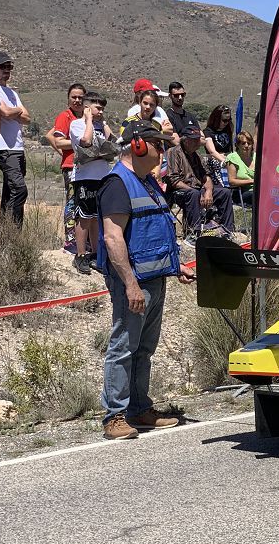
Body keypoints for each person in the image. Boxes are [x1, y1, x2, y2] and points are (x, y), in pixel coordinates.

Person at [96, 120, 194, 440]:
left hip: (155, 278)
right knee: (124, 346)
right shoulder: (117, 183)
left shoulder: (148, 182)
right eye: (158, 144)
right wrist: (130, 284)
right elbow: (113, 239)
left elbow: (154, 231)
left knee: (143, 348)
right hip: (135, 283)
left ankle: (139, 409)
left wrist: (175, 266)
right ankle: (115, 416)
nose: (163, 150)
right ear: (138, 145)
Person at [69, 92, 117, 275]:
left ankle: (96, 254)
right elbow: (86, 141)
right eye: (97, 108)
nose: (101, 111)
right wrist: (88, 119)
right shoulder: (77, 124)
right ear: (88, 108)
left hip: (102, 175)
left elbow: (112, 143)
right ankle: (80, 254)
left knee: (97, 216)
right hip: (85, 176)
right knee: (84, 216)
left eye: (103, 108)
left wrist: (103, 124)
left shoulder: (101, 125)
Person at [166, 124, 235, 238]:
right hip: (179, 191)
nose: (198, 143)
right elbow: (174, 181)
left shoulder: (196, 155)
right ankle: (194, 233)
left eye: (198, 139)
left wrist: (208, 191)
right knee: (194, 194)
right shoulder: (173, 152)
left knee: (224, 193)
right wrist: (198, 193)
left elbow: (206, 176)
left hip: (198, 190)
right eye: (194, 140)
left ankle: (227, 229)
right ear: (186, 140)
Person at [0, 51, 31, 228]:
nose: (7, 70)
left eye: (9, 67)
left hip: (18, 148)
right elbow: (4, 113)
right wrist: (17, 111)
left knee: (9, 192)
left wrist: (13, 112)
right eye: (3, 66)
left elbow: (27, 118)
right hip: (3, 148)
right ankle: (11, 233)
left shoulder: (12, 93)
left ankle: (6, 240)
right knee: (19, 190)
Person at [45, 84, 87, 250]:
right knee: (72, 202)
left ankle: (84, 240)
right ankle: (70, 240)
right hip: (71, 167)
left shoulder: (87, 116)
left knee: (85, 204)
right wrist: (79, 144)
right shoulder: (65, 116)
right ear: (68, 99)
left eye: (80, 97)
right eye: (73, 97)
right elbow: (57, 141)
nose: (77, 100)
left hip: (88, 167)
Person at [202, 105, 234, 184]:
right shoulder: (208, 131)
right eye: (224, 120)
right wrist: (224, 161)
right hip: (216, 162)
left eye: (228, 120)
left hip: (228, 159)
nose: (226, 123)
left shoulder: (228, 129)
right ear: (216, 119)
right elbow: (212, 151)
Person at [225, 130, 256, 205]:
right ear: (238, 145)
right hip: (241, 192)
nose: (246, 146)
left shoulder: (256, 157)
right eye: (243, 143)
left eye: (249, 143)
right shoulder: (233, 158)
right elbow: (232, 181)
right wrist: (252, 181)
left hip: (258, 189)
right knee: (258, 195)